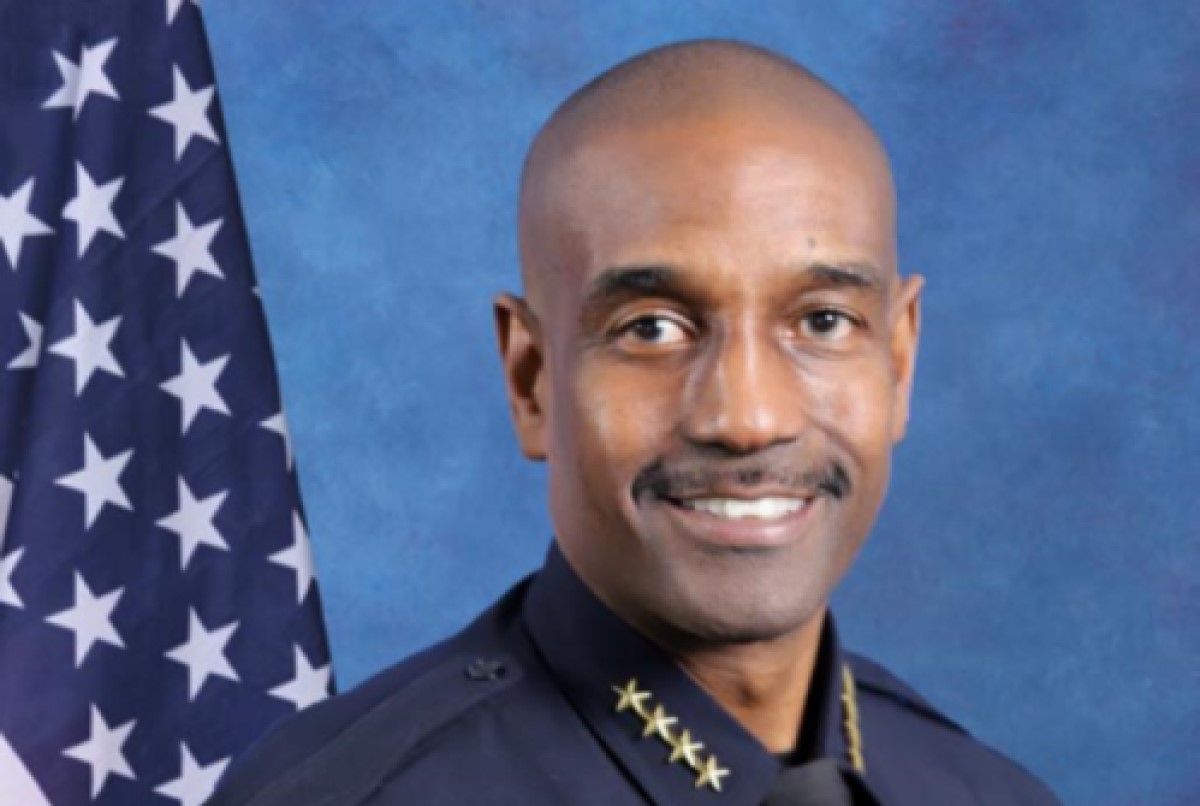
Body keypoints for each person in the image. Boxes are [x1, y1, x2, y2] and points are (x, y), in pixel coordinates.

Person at [209, 39, 1060, 805]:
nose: (748, 418)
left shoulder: (988, 792)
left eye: (824, 321)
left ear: (898, 364)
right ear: (532, 380)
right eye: (651, 328)